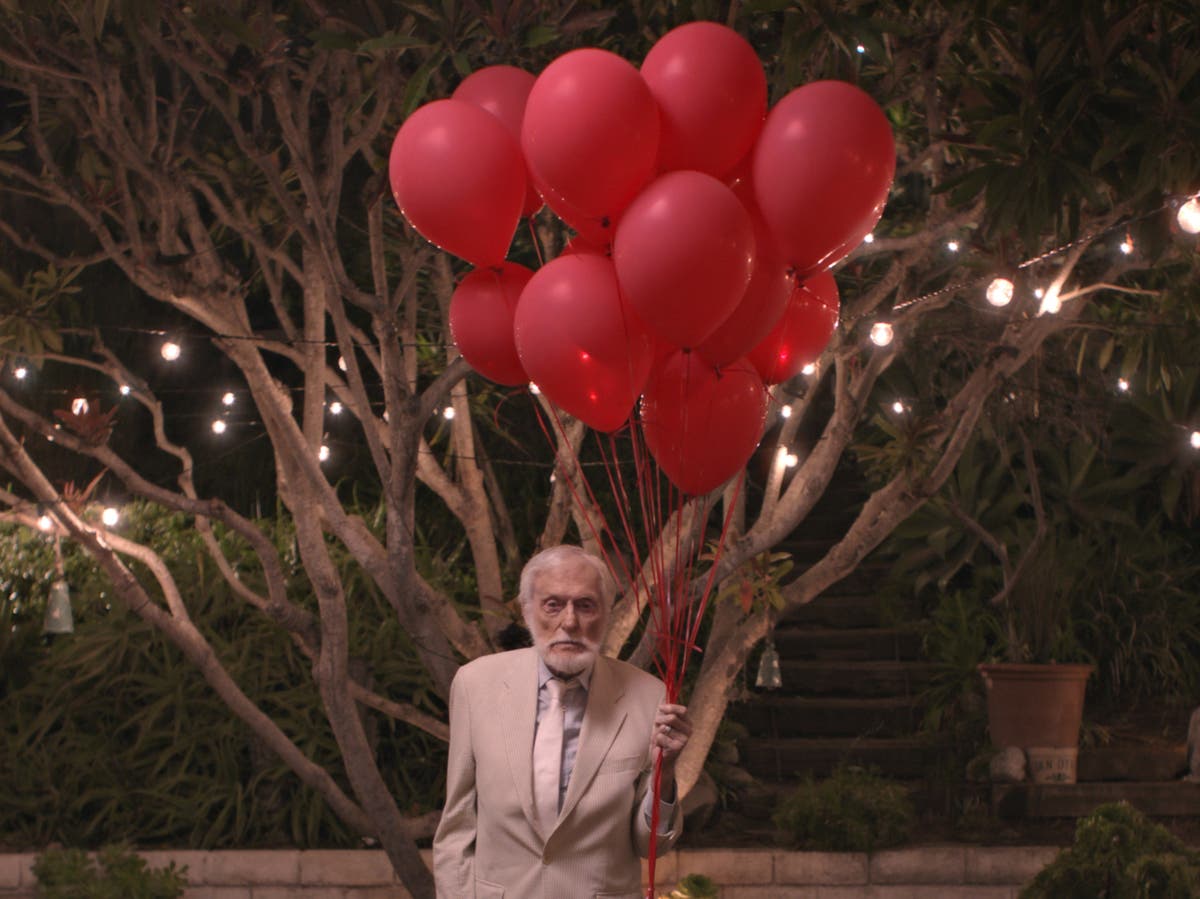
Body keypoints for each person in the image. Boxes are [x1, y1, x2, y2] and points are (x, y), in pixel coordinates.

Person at [433, 545, 693, 898]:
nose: (569, 622)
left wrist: (668, 772)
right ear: (527, 611)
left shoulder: (648, 697)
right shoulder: (474, 685)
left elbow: (650, 845)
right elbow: (457, 827)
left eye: (585, 605)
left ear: (605, 614)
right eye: (553, 605)